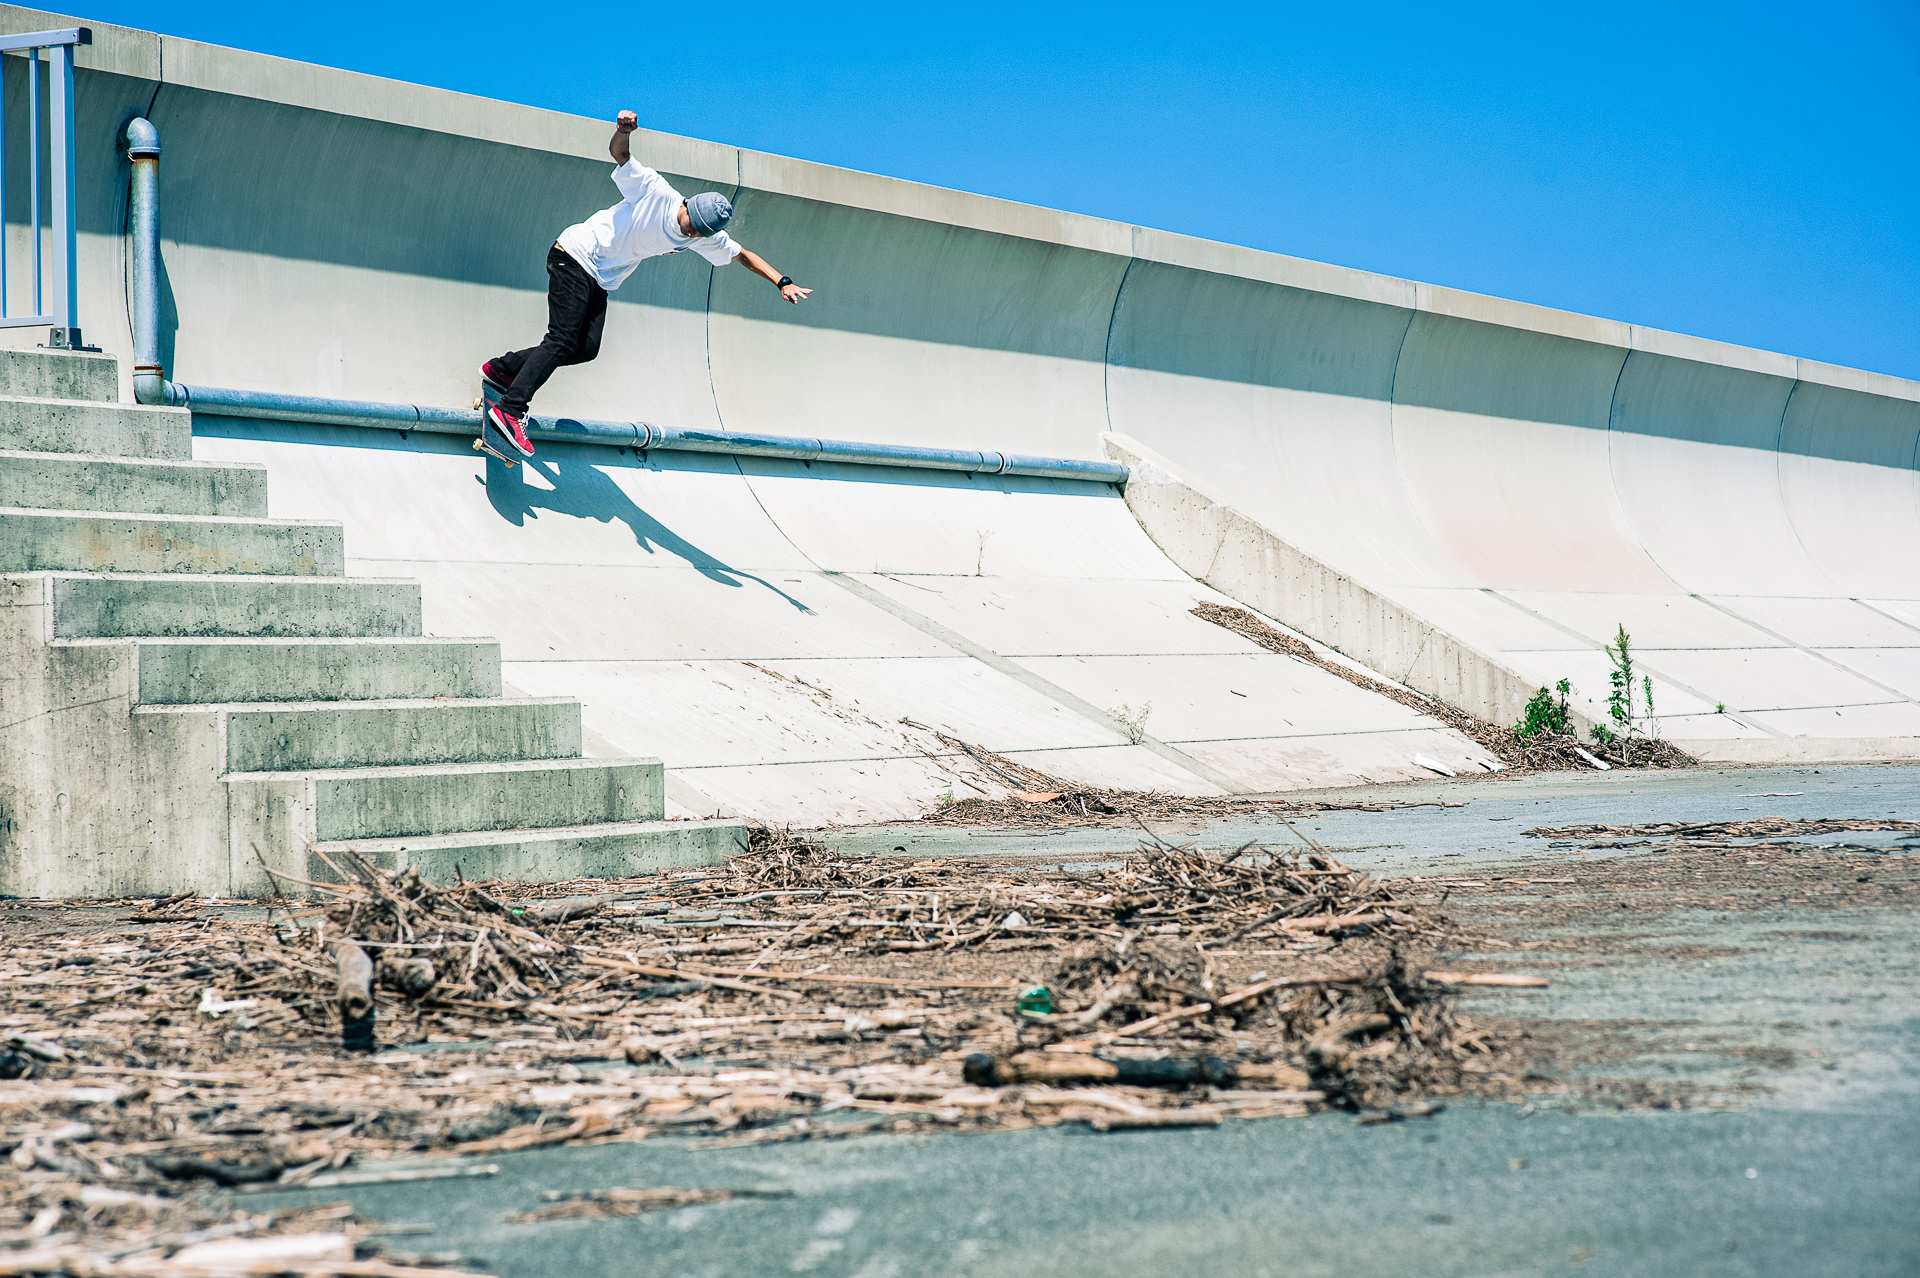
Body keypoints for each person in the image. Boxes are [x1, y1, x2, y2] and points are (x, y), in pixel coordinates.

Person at [480, 110, 811, 455]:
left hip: (601, 277)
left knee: (586, 349)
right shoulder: (655, 190)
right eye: (690, 223)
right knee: (562, 339)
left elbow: (744, 255)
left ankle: (502, 370)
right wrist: (623, 131)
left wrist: (781, 282)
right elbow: (621, 155)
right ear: (686, 205)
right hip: (576, 254)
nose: (690, 232)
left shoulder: (703, 237)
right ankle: (510, 409)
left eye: (699, 232)